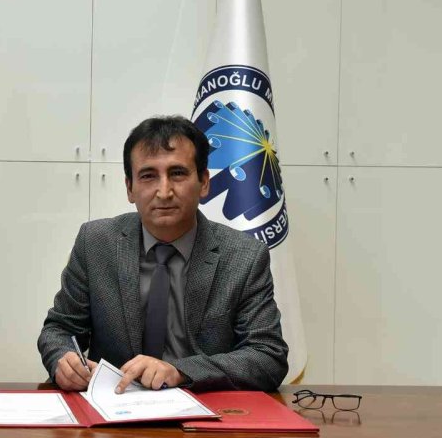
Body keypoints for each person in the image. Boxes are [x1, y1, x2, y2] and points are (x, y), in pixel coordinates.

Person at [37, 116, 287, 393]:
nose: (164, 191)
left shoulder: (244, 256)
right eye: (148, 176)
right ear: (130, 188)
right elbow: (59, 329)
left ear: (204, 182)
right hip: (114, 406)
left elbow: (267, 356)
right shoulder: (96, 243)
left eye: (177, 173)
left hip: (204, 408)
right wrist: (63, 360)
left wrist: (181, 371)